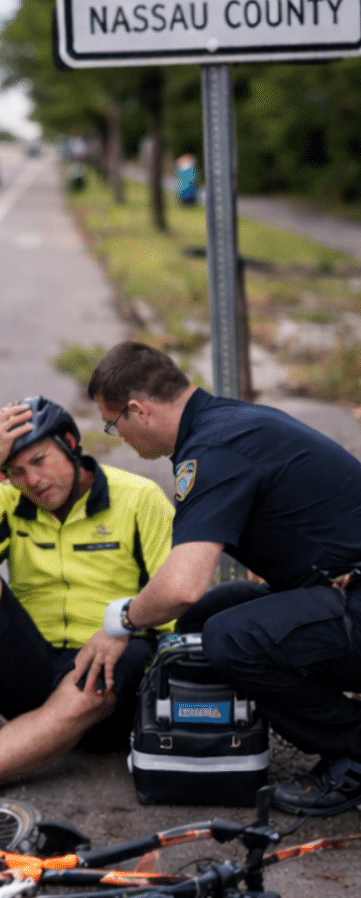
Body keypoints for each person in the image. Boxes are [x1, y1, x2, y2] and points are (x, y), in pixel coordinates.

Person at [85, 341, 361, 817]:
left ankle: (353, 754)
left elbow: (179, 585)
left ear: (138, 410)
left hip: (353, 598)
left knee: (230, 638)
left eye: (114, 425)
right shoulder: (225, 422)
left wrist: (121, 620)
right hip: (339, 589)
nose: (119, 436)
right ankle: (208, 740)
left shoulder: (213, 449)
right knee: (214, 610)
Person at [0, 395, 174, 801]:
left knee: (96, 670)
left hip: (110, 667)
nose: (33, 481)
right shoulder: (6, 498)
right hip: (31, 669)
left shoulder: (139, 498)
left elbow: (176, 596)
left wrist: (124, 626)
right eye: (17, 472)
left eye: (40, 461)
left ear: (72, 445)